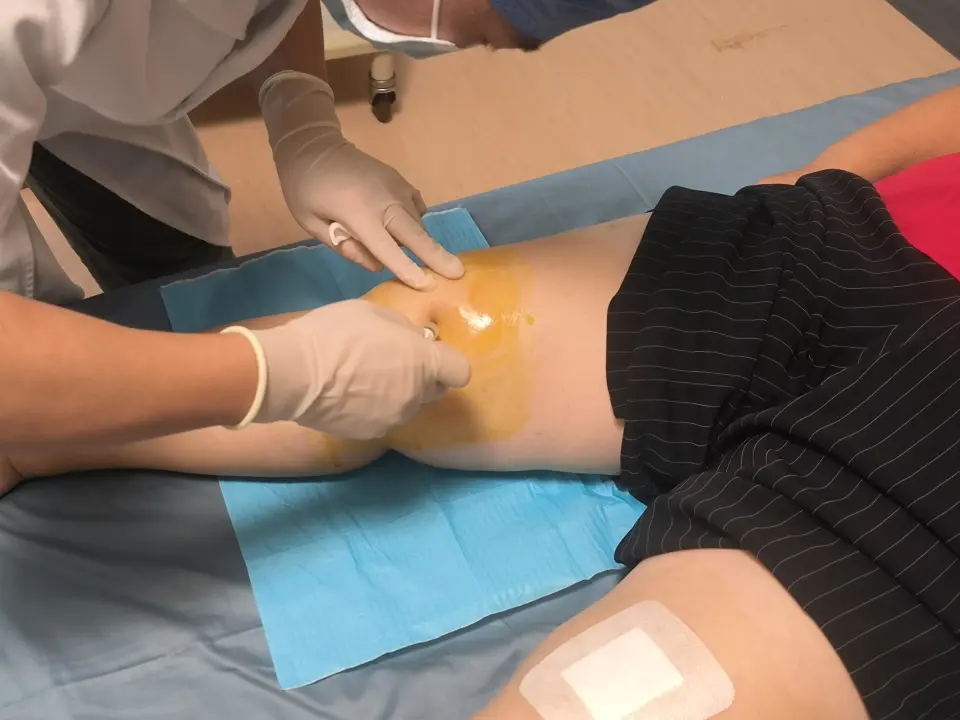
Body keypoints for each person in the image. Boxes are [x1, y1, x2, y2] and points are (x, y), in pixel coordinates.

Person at [8, 84, 960, 719]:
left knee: (623, 693)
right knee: (420, 331)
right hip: (879, 248)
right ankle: (37, 443)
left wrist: (301, 114)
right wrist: (823, 184)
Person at [1, 0, 664, 458]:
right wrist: (278, 378)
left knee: (176, 255)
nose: (474, 47)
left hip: (96, 73)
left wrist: (302, 114)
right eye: (485, 28)